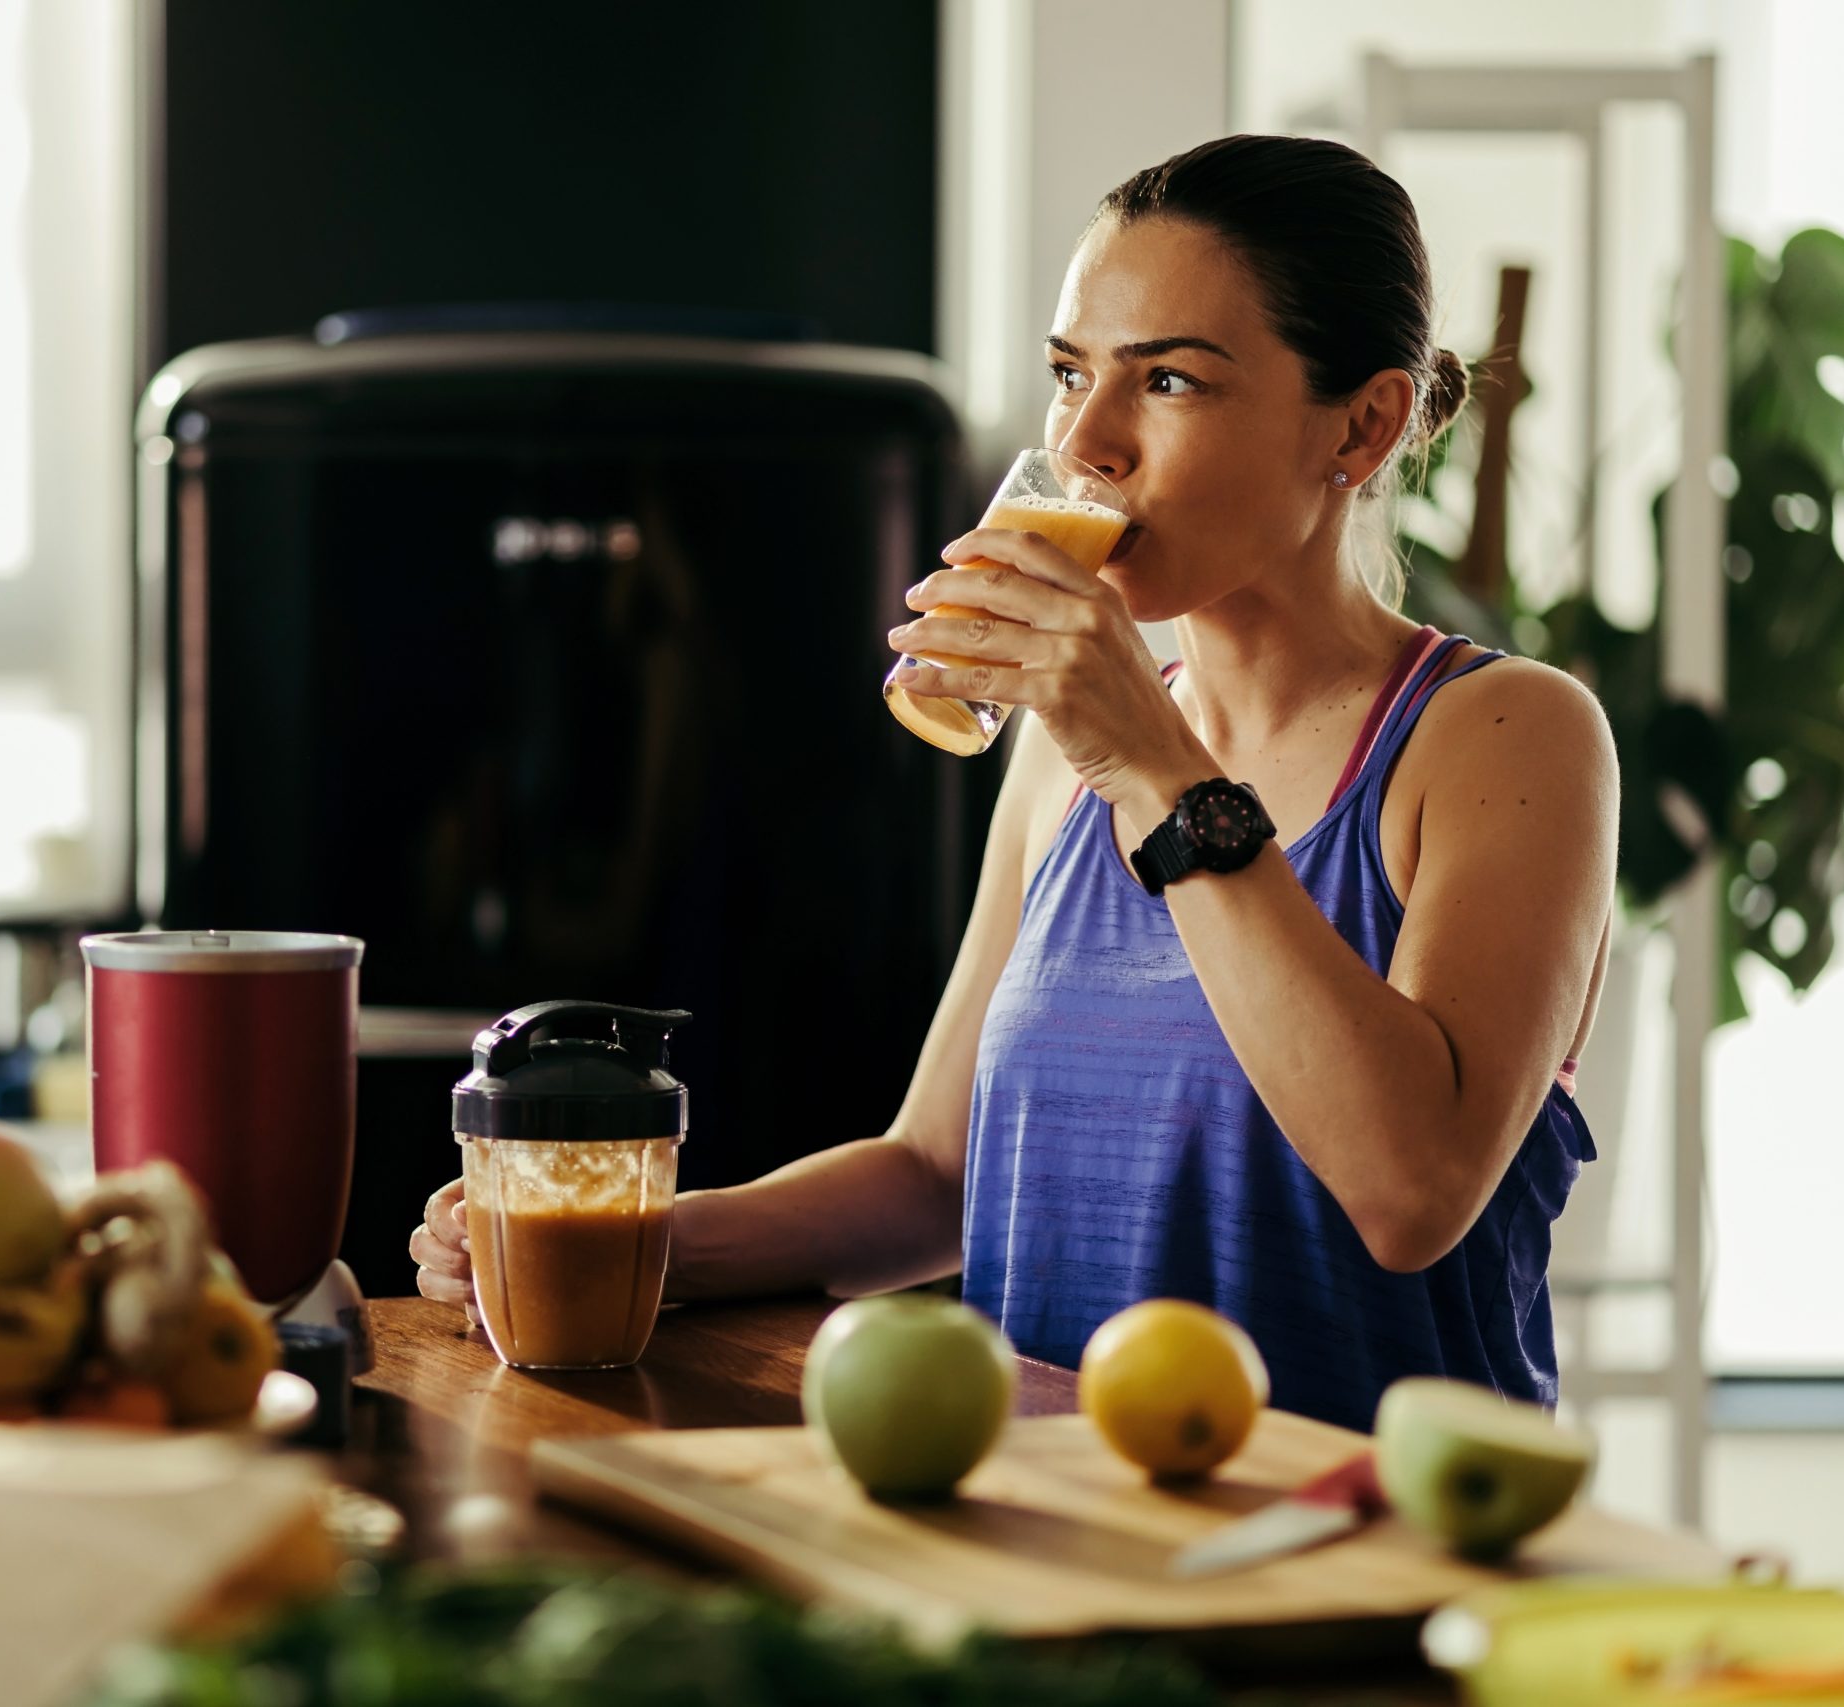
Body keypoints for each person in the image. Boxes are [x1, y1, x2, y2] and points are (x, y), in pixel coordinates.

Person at [411, 134, 1615, 1433]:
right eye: (1067, 375)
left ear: (1364, 425)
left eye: (1167, 380)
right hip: (1055, 1535)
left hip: (1354, 1556)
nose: (1089, 441)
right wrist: (609, 1239)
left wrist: (1152, 766)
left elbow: (1411, 1190)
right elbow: (936, 1174)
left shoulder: (1503, 736)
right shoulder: (1066, 749)